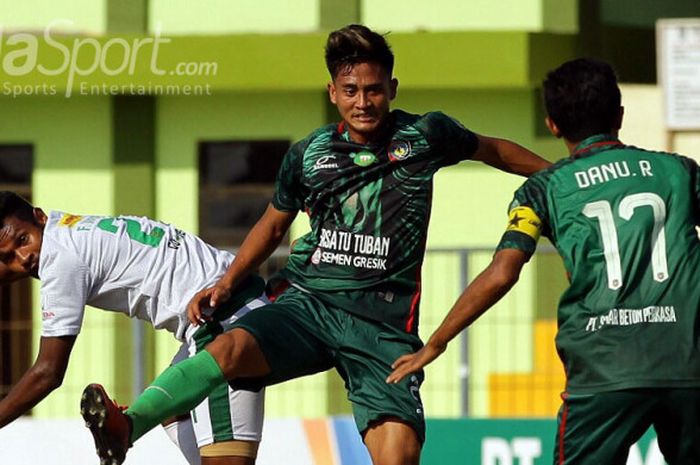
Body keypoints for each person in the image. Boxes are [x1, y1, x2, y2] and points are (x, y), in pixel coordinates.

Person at [83, 24, 550, 465]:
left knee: (399, 456)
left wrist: (560, 178)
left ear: (392, 87)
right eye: (350, 91)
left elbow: (497, 150)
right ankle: (129, 425)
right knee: (227, 350)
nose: (363, 102)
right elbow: (271, 225)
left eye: (373, 89)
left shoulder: (426, 135)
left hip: (382, 328)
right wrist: (226, 284)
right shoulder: (309, 154)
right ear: (333, 92)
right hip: (308, 305)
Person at [388, 57, 700, 464]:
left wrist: (436, 343)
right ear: (619, 114)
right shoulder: (678, 172)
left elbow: (502, 274)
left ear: (552, 124)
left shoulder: (545, 190)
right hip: (689, 363)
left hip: (603, 370)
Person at [0, 191, 268, 465]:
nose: (23, 258)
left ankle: (123, 433)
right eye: (8, 257)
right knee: (173, 409)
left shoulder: (58, 259)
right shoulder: (66, 228)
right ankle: (124, 432)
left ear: (39, 217)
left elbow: (48, 372)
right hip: (238, 298)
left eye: (23, 241)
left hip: (222, 322)